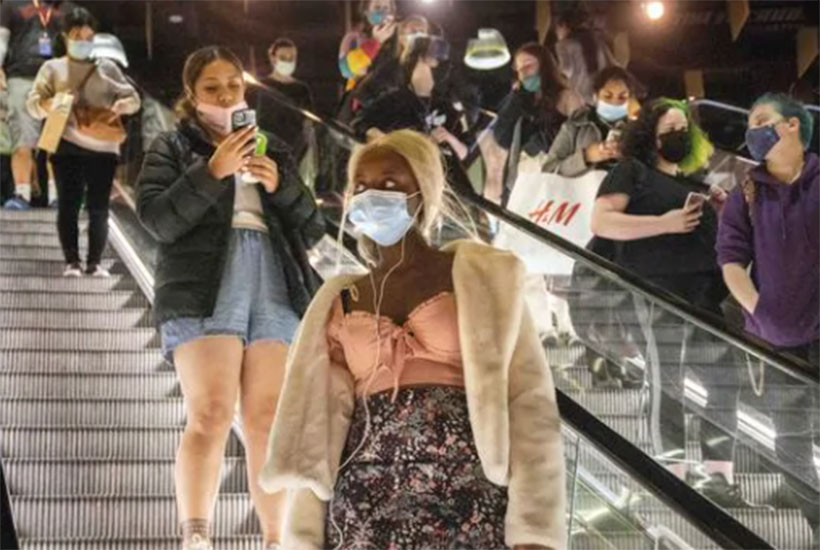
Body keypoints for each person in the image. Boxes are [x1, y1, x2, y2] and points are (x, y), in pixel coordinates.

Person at [259, 129, 566, 550]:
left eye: (390, 184)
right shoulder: (340, 297)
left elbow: (530, 402)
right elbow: (318, 422)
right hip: (362, 500)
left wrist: (536, 532)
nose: (371, 195)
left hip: (470, 493)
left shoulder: (484, 276)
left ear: (422, 190)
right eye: (361, 186)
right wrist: (304, 536)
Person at [136, 45, 325, 550]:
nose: (225, 95)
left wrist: (281, 185)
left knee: (266, 417)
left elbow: (314, 226)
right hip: (204, 283)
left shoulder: (273, 147)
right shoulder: (171, 146)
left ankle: (273, 538)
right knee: (212, 412)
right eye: (211, 88)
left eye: (234, 85)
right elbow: (155, 220)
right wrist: (211, 171)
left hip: (272, 277)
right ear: (192, 96)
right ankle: (196, 535)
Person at [590, 98, 749, 506]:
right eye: (669, 130)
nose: (678, 135)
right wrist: (664, 223)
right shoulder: (632, 172)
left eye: (683, 129)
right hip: (655, 288)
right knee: (668, 378)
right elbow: (601, 222)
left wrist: (716, 207)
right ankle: (672, 473)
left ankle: (718, 475)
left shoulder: (693, 182)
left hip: (703, 293)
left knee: (723, 380)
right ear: (650, 136)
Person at [717, 92, 819, 545]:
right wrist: (760, 310)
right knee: (790, 438)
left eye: (762, 120)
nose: (752, 130)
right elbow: (731, 258)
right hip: (780, 339)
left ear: (793, 125)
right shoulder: (747, 190)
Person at [26, 6, 140, 277]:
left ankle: (95, 262)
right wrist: (53, 103)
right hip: (67, 145)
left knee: (99, 207)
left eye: (89, 37)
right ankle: (72, 261)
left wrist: (123, 105)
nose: (83, 42)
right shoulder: (52, 68)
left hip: (104, 147)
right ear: (66, 37)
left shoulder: (107, 67)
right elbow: (32, 104)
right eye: (78, 36)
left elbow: (133, 98)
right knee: (69, 203)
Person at [481, 42, 584, 204]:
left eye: (528, 65)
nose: (524, 73)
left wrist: (544, 140)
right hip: (526, 181)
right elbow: (502, 138)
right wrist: (516, 98)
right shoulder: (522, 100)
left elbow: (581, 138)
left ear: (544, 65)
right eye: (519, 69)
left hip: (559, 180)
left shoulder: (567, 97)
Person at [1, 0, 75, 209]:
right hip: (20, 77)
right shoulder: (11, 5)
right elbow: (1, 39)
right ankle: (22, 195)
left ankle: (57, 197)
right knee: (22, 142)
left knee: (56, 143)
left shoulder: (68, 9)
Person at [352, 35, 470, 159]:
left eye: (437, 62)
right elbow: (360, 125)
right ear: (411, 62)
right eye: (424, 60)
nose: (431, 67)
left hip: (436, 173)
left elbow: (464, 153)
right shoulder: (392, 101)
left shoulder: (446, 106)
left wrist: (449, 138)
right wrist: (386, 141)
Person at [543, 66, 639, 176]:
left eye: (622, 97)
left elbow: (652, 175)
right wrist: (586, 156)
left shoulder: (638, 130)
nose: (615, 102)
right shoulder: (575, 126)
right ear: (595, 96)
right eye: (607, 96)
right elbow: (548, 170)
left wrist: (629, 158)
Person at [252, 38, 315, 161]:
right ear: (273, 58)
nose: (288, 61)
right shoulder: (260, 86)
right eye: (283, 57)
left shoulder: (301, 89)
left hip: (295, 150)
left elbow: (309, 122)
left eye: (291, 57)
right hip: (266, 148)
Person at [553, 6, 619, 105]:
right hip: (602, 93)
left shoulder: (563, 44)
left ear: (564, 26)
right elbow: (613, 64)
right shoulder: (596, 40)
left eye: (557, 29)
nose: (557, 33)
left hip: (580, 96)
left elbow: (567, 69)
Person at [337, 0, 397, 93]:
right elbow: (346, 69)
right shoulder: (353, 37)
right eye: (377, 8)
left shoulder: (400, 36)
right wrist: (375, 42)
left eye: (386, 8)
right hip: (362, 96)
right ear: (366, 12)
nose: (382, 12)